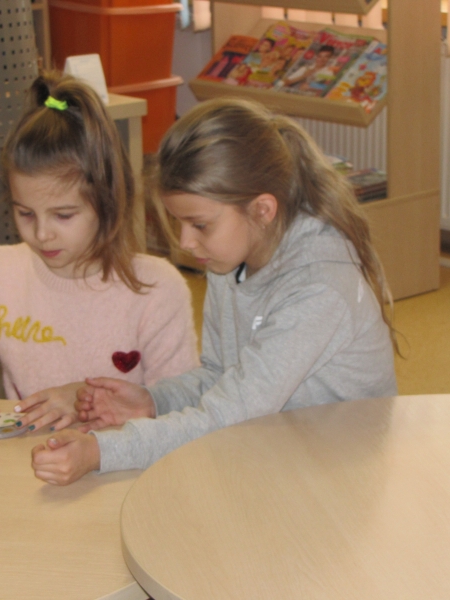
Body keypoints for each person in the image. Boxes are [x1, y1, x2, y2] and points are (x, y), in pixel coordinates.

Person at [29, 97, 398, 485]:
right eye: (179, 222)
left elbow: (228, 416)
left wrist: (102, 451)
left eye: (200, 225)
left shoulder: (320, 291)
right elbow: (223, 376)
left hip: (339, 479)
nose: (185, 242)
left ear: (262, 210)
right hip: (279, 453)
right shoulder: (231, 257)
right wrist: (154, 401)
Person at [0, 70, 199, 431]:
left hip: (124, 460)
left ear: (108, 201)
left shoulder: (157, 288)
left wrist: (88, 399)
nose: (43, 234)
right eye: (25, 213)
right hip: (33, 459)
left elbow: (184, 405)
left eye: (64, 215)